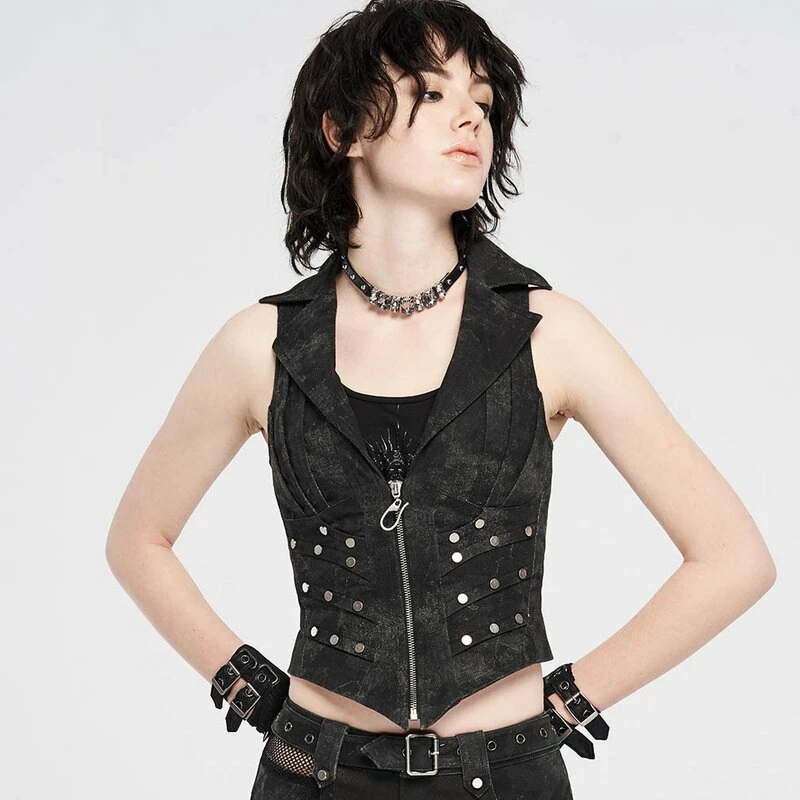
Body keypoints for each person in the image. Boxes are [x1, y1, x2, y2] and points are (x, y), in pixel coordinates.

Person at [105, 1, 777, 798]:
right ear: (342, 130)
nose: (470, 117)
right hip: (313, 775)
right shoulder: (263, 346)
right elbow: (138, 539)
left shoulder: (545, 332)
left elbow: (732, 556)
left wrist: (569, 700)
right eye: (429, 92)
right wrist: (248, 686)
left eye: (483, 101)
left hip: (506, 777)